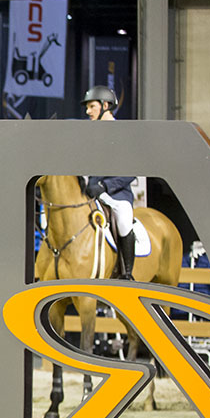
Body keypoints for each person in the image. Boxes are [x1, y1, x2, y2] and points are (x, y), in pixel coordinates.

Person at [81, 85, 137, 280]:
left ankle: (127, 272)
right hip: (91, 193)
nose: (88, 112)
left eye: (92, 107)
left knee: (123, 219)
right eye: (87, 107)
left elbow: (131, 172)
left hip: (116, 195)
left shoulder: (123, 134)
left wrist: (106, 186)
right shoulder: (89, 135)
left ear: (105, 105)